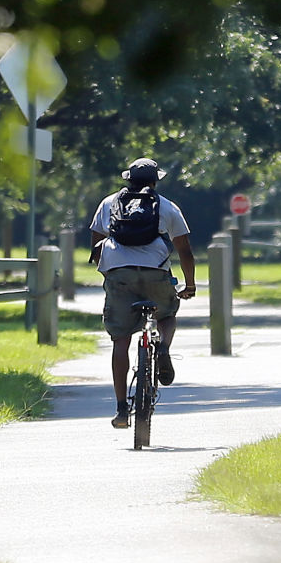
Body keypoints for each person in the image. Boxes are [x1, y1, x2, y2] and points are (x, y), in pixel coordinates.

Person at [89, 158, 197, 428]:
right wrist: (190, 284)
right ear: (156, 181)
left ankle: (122, 409)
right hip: (156, 273)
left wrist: (110, 275)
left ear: (128, 179)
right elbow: (185, 250)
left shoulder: (108, 204)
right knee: (168, 313)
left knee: (121, 340)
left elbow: (96, 246)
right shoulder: (168, 207)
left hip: (119, 274)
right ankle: (162, 347)